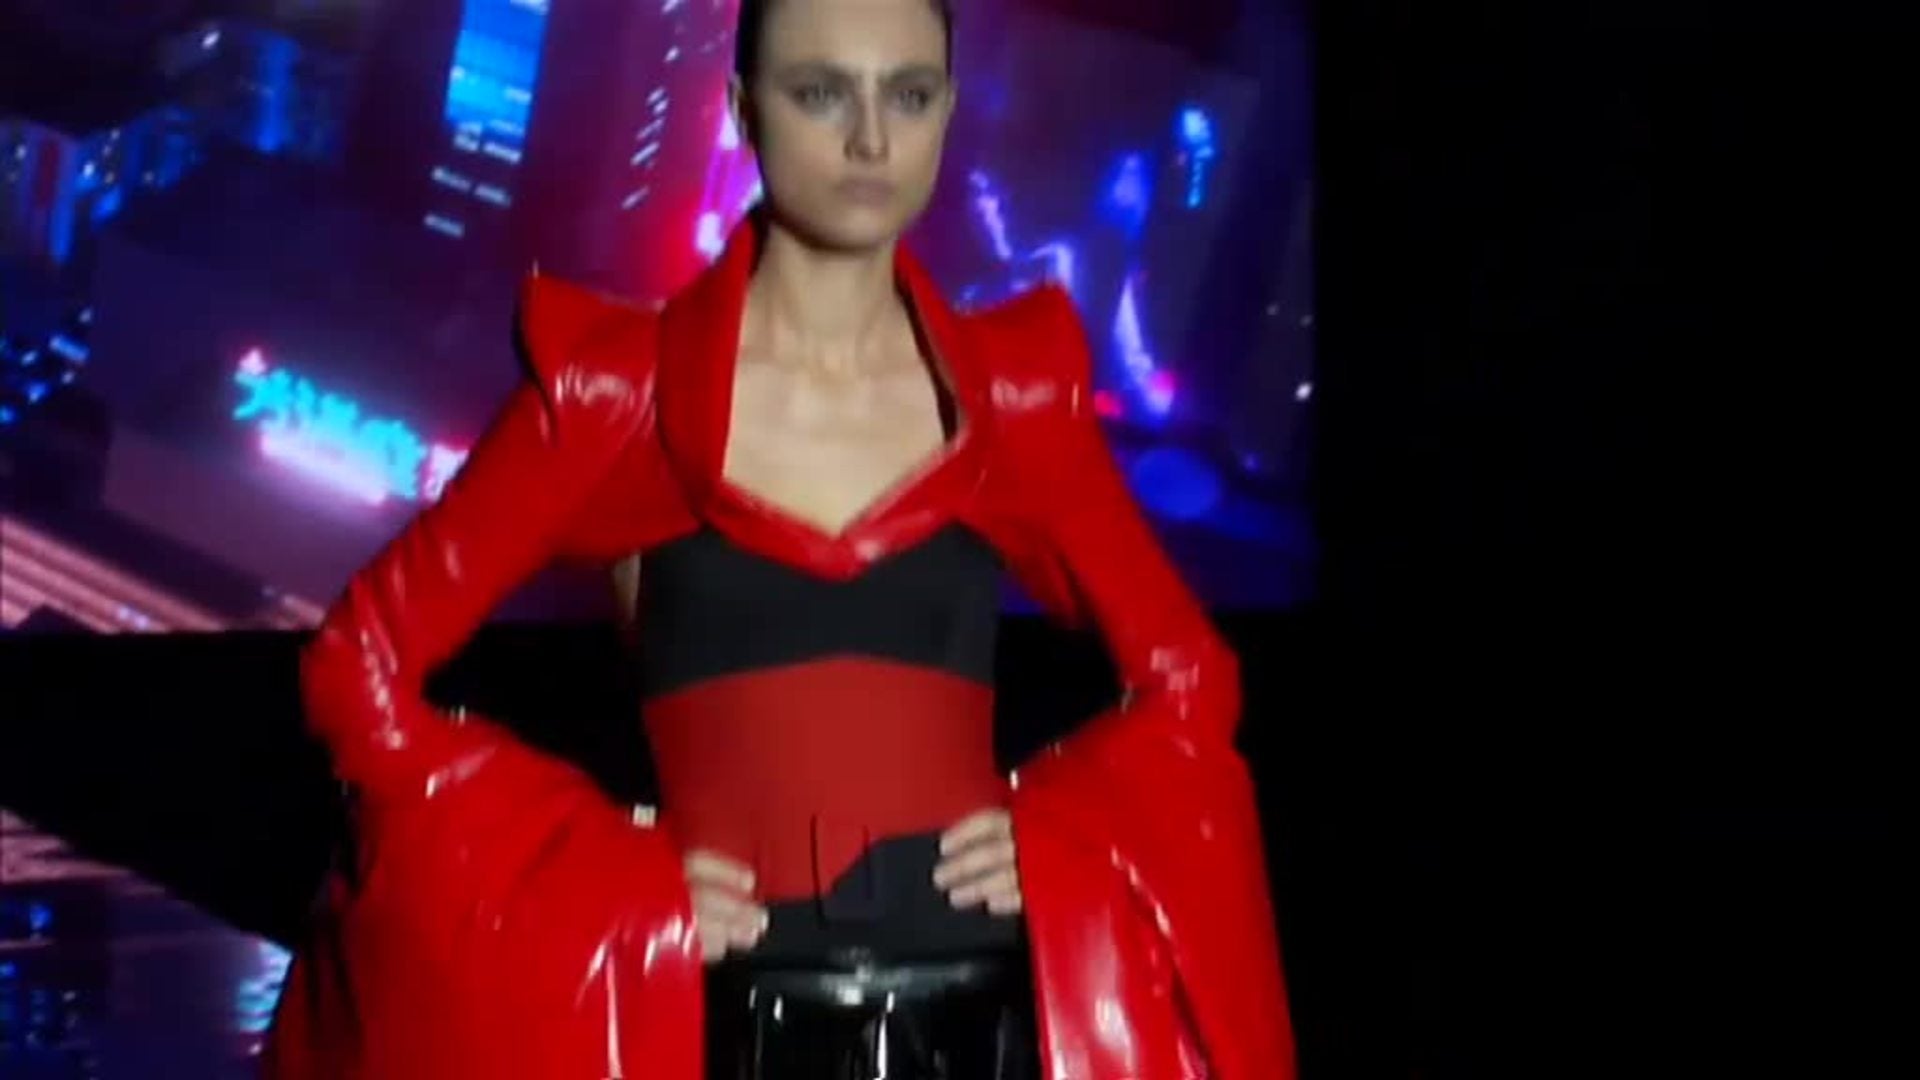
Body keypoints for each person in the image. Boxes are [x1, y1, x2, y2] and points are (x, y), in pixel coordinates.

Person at [263, 0, 1293, 1076]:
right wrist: (595, 867)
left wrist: (1061, 834)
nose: (870, 138)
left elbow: (1191, 682)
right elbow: (356, 669)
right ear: (745, 111)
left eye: (909, 95)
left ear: (947, 113)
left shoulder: (1013, 396)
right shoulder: (620, 395)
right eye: (820, 93)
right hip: (718, 1024)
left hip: (979, 1020)